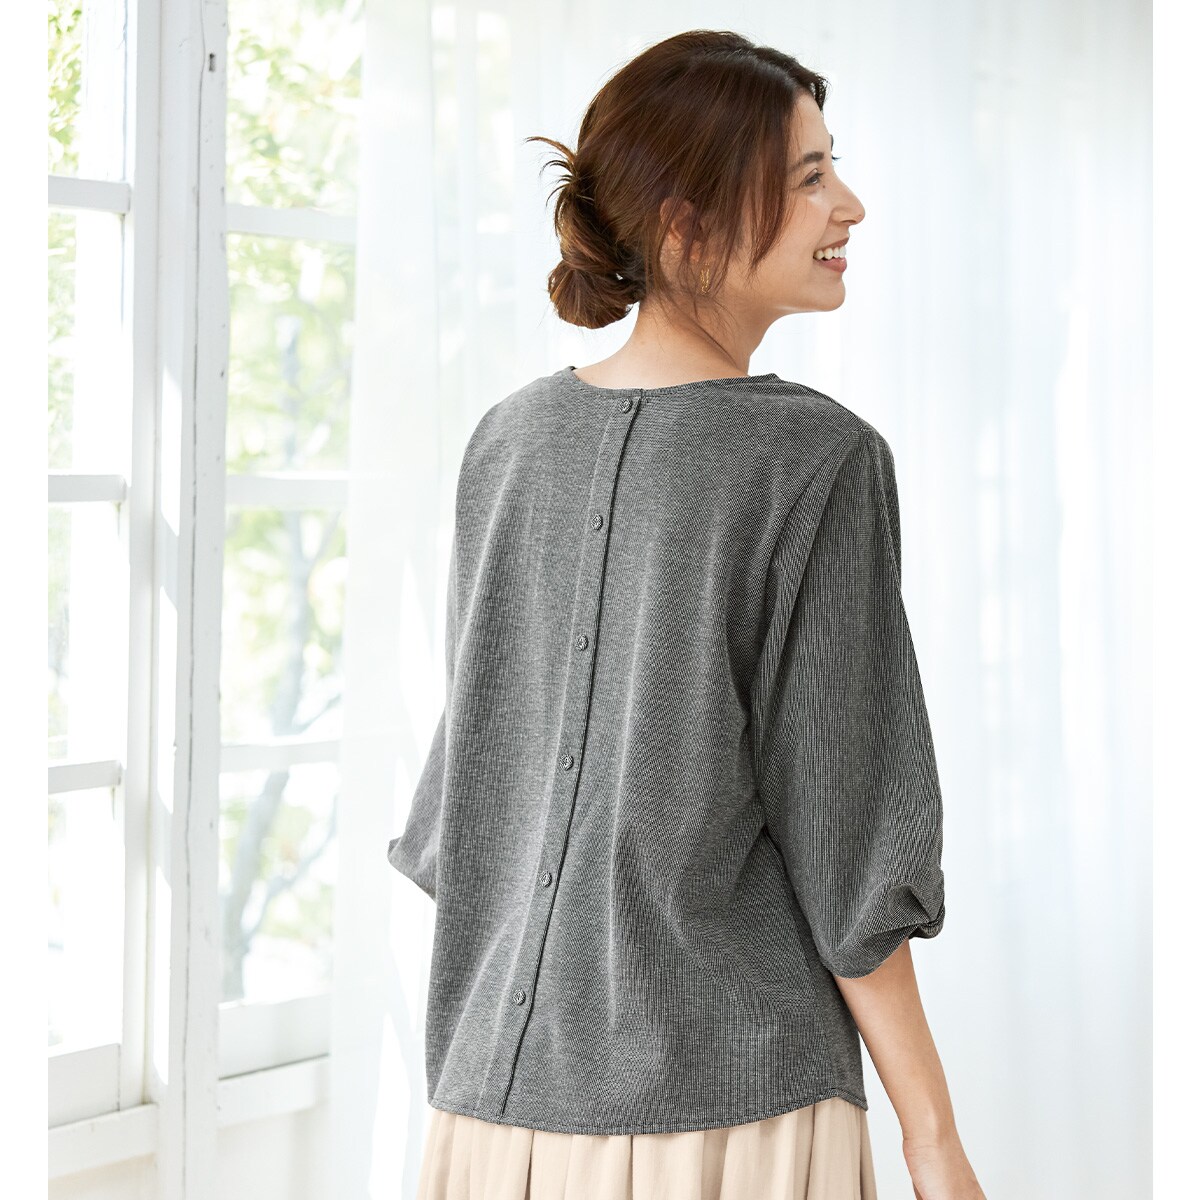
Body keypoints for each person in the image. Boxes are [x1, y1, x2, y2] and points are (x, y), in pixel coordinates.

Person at [390, 28, 987, 1200]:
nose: (849, 205)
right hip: (734, 1117)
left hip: (490, 1111)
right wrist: (934, 1138)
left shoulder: (509, 441)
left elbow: (472, 806)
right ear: (686, 224)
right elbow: (851, 842)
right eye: (810, 177)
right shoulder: (816, 460)